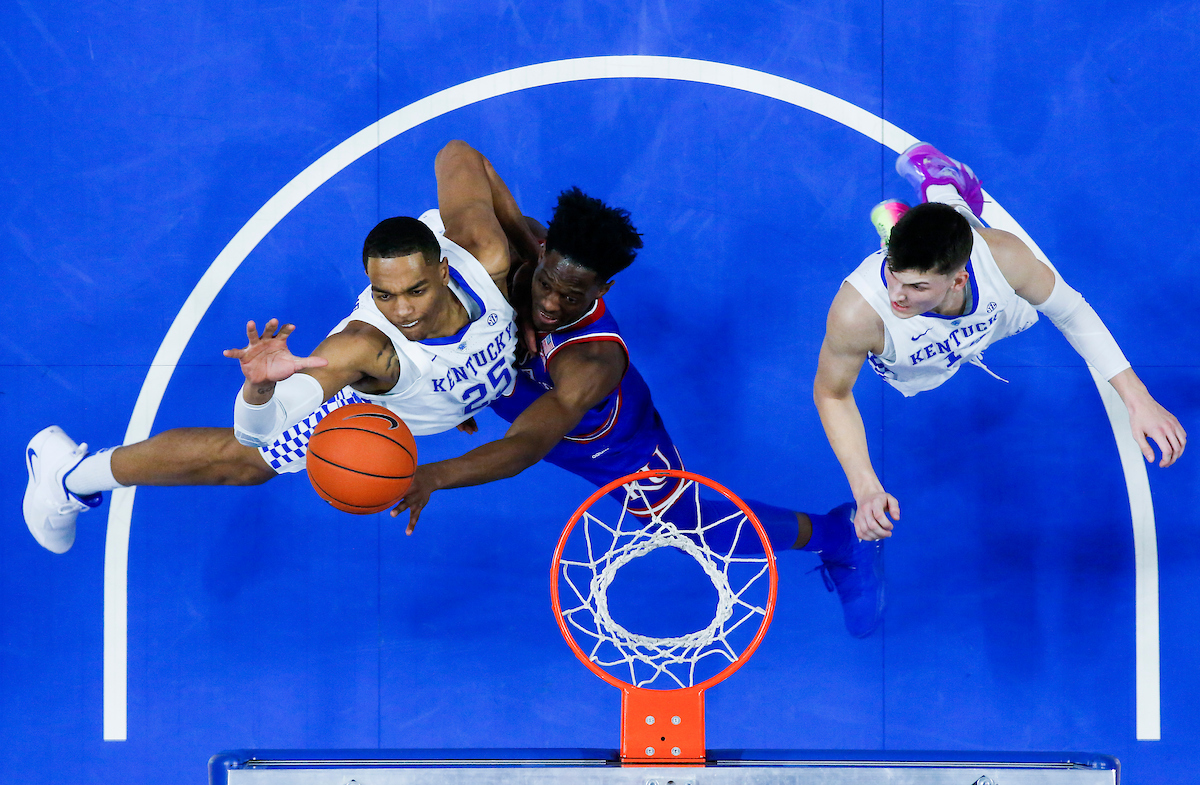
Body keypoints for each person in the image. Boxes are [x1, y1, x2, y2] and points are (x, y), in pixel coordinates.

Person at [392, 187, 887, 638]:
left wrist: (434, 475)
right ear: (541, 252)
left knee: (699, 528)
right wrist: (467, 387)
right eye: (546, 284)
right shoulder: (519, 254)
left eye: (571, 297)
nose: (548, 303)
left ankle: (838, 536)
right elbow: (458, 155)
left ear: (602, 288)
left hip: (612, 446)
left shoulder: (592, 360)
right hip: (527, 391)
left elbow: (523, 446)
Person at [23, 140, 537, 555]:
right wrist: (257, 392)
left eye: (416, 292)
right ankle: (67, 478)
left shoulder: (485, 254)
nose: (401, 311)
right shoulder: (363, 349)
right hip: (365, 401)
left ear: (443, 270)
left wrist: (535, 260)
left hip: (437, 382)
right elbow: (255, 434)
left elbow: (458, 154)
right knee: (243, 463)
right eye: (384, 295)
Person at [814, 142, 1187, 542]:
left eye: (917, 286)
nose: (897, 296)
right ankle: (906, 224)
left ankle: (937, 178)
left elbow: (1070, 310)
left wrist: (1138, 398)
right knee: (943, 232)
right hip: (912, 355)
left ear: (958, 280)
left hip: (992, 316)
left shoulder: (1003, 258)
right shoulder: (860, 312)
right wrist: (865, 486)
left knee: (960, 223)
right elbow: (832, 394)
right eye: (893, 274)